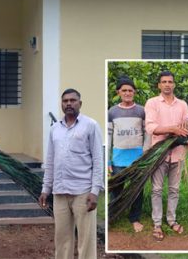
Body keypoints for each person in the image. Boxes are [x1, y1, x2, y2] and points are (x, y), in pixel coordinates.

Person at [39, 88, 104, 259]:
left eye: (72, 100)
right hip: (60, 192)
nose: (68, 103)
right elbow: (51, 160)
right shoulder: (55, 129)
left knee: (86, 241)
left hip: (83, 191)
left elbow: (98, 159)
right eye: (65, 101)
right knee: (62, 240)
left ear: (80, 103)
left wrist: (95, 191)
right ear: (61, 104)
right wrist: (46, 188)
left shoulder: (91, 125)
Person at [144, 71, 188, 241]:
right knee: (156, 189)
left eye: (170, 81)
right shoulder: (152, 103)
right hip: (158, 154)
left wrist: (187, 136)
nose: (167, 84)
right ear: (159, 85)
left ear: (174, 84)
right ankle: (157, 223)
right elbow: (151, 127)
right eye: (164, 81)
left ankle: (171, 220)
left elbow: (186, 127)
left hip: (177, 154)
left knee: (174, 189)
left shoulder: (182, 105)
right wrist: (173, 129)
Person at [108, 76, 147, 233]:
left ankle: (134, 218)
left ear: (134, 92)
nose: (127, 93)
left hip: (137, 159)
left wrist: (145, 152)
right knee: (116, 189)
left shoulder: (141, 110)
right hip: (118, 160)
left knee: (137, 190)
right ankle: (113, 215)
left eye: (130, 90)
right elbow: (109, 136)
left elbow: (147, 133)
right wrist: (108, 160)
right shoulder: (112, 111)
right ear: (118, 92)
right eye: (124, 90)